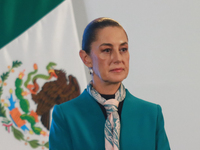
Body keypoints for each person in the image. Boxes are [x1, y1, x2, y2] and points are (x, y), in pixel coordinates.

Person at [49, 17, 170, 150]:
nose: (118, 59)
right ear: (86, 58)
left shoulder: (151, 114)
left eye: (123, 49)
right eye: (107, 50)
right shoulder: (66, 116)